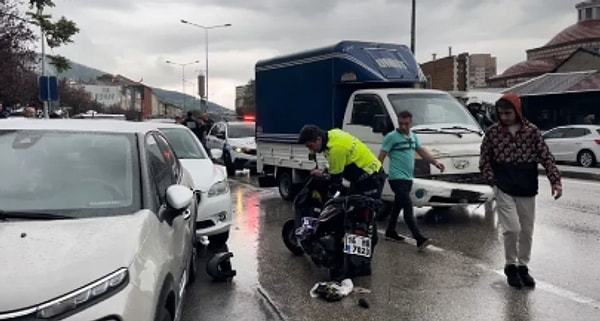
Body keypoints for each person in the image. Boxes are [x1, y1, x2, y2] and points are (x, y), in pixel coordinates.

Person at [479, 93, 562, 289]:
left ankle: (523, 266)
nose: (505, 117)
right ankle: (511, 265)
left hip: (526, 186)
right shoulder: (493, 133)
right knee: (512, 229)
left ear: (517, 111)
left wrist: (555, 181)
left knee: (526, 230)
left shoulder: (532, 132)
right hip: (504, 186)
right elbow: (484, 160)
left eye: (508, 113)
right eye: (501, 113)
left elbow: (545, 156)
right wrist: (493, 181)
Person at [377, 111, 444, 251]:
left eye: (406, 124)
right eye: (400, 123)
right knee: (408, 207)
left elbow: (422, 152)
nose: (403, 126)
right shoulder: (391, 137)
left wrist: (435, 163)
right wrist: (377, 172)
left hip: (408, 178)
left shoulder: (413, 136)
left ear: (411, 123)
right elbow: (382, 155)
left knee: (397, 206)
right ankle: (419, 238)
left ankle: (390, 231)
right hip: (396, 178)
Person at [298, 125, 385, 199]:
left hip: (371, 177)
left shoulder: (335, 149)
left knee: (360, 212)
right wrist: (323, 173)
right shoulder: (333, 134)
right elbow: (335, 167)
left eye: (310, 146)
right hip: (365, 176)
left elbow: (336, 179)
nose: (311, 150)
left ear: (319, 139)